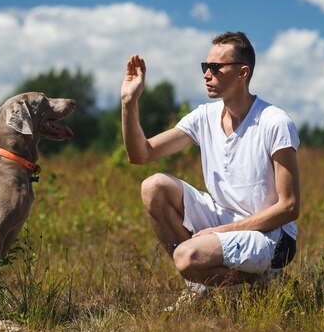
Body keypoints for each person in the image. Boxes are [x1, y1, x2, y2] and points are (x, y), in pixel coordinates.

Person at [120, 31, 300, 303]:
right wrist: (129, 102)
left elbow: (289, 207)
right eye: (205, 67)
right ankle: (198, 286)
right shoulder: (204, 116)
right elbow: (141, 154)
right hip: (225, 219)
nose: (206, 74)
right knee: (153, 186)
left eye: (216, 67)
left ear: (242, 73)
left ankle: (266, 278)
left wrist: (220, 232)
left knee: (186, 256)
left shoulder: (275, 122)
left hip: (272, 236)